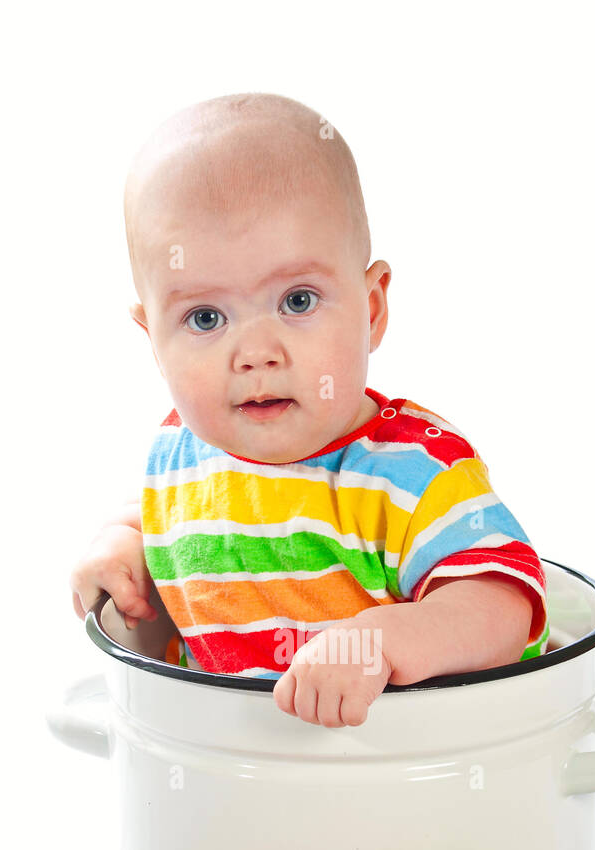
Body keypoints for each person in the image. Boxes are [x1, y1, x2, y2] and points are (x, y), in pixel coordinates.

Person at [71, 92, 548, 728]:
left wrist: (383, 641)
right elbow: (155, 522)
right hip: (229, 785)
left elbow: (502, 602)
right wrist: (118, 551)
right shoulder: (180, 455)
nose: (258, 354)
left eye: (297, 301)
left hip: (399, 783)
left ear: (372, 310)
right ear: (153, 341)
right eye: (205, 317)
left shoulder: (413, 473)